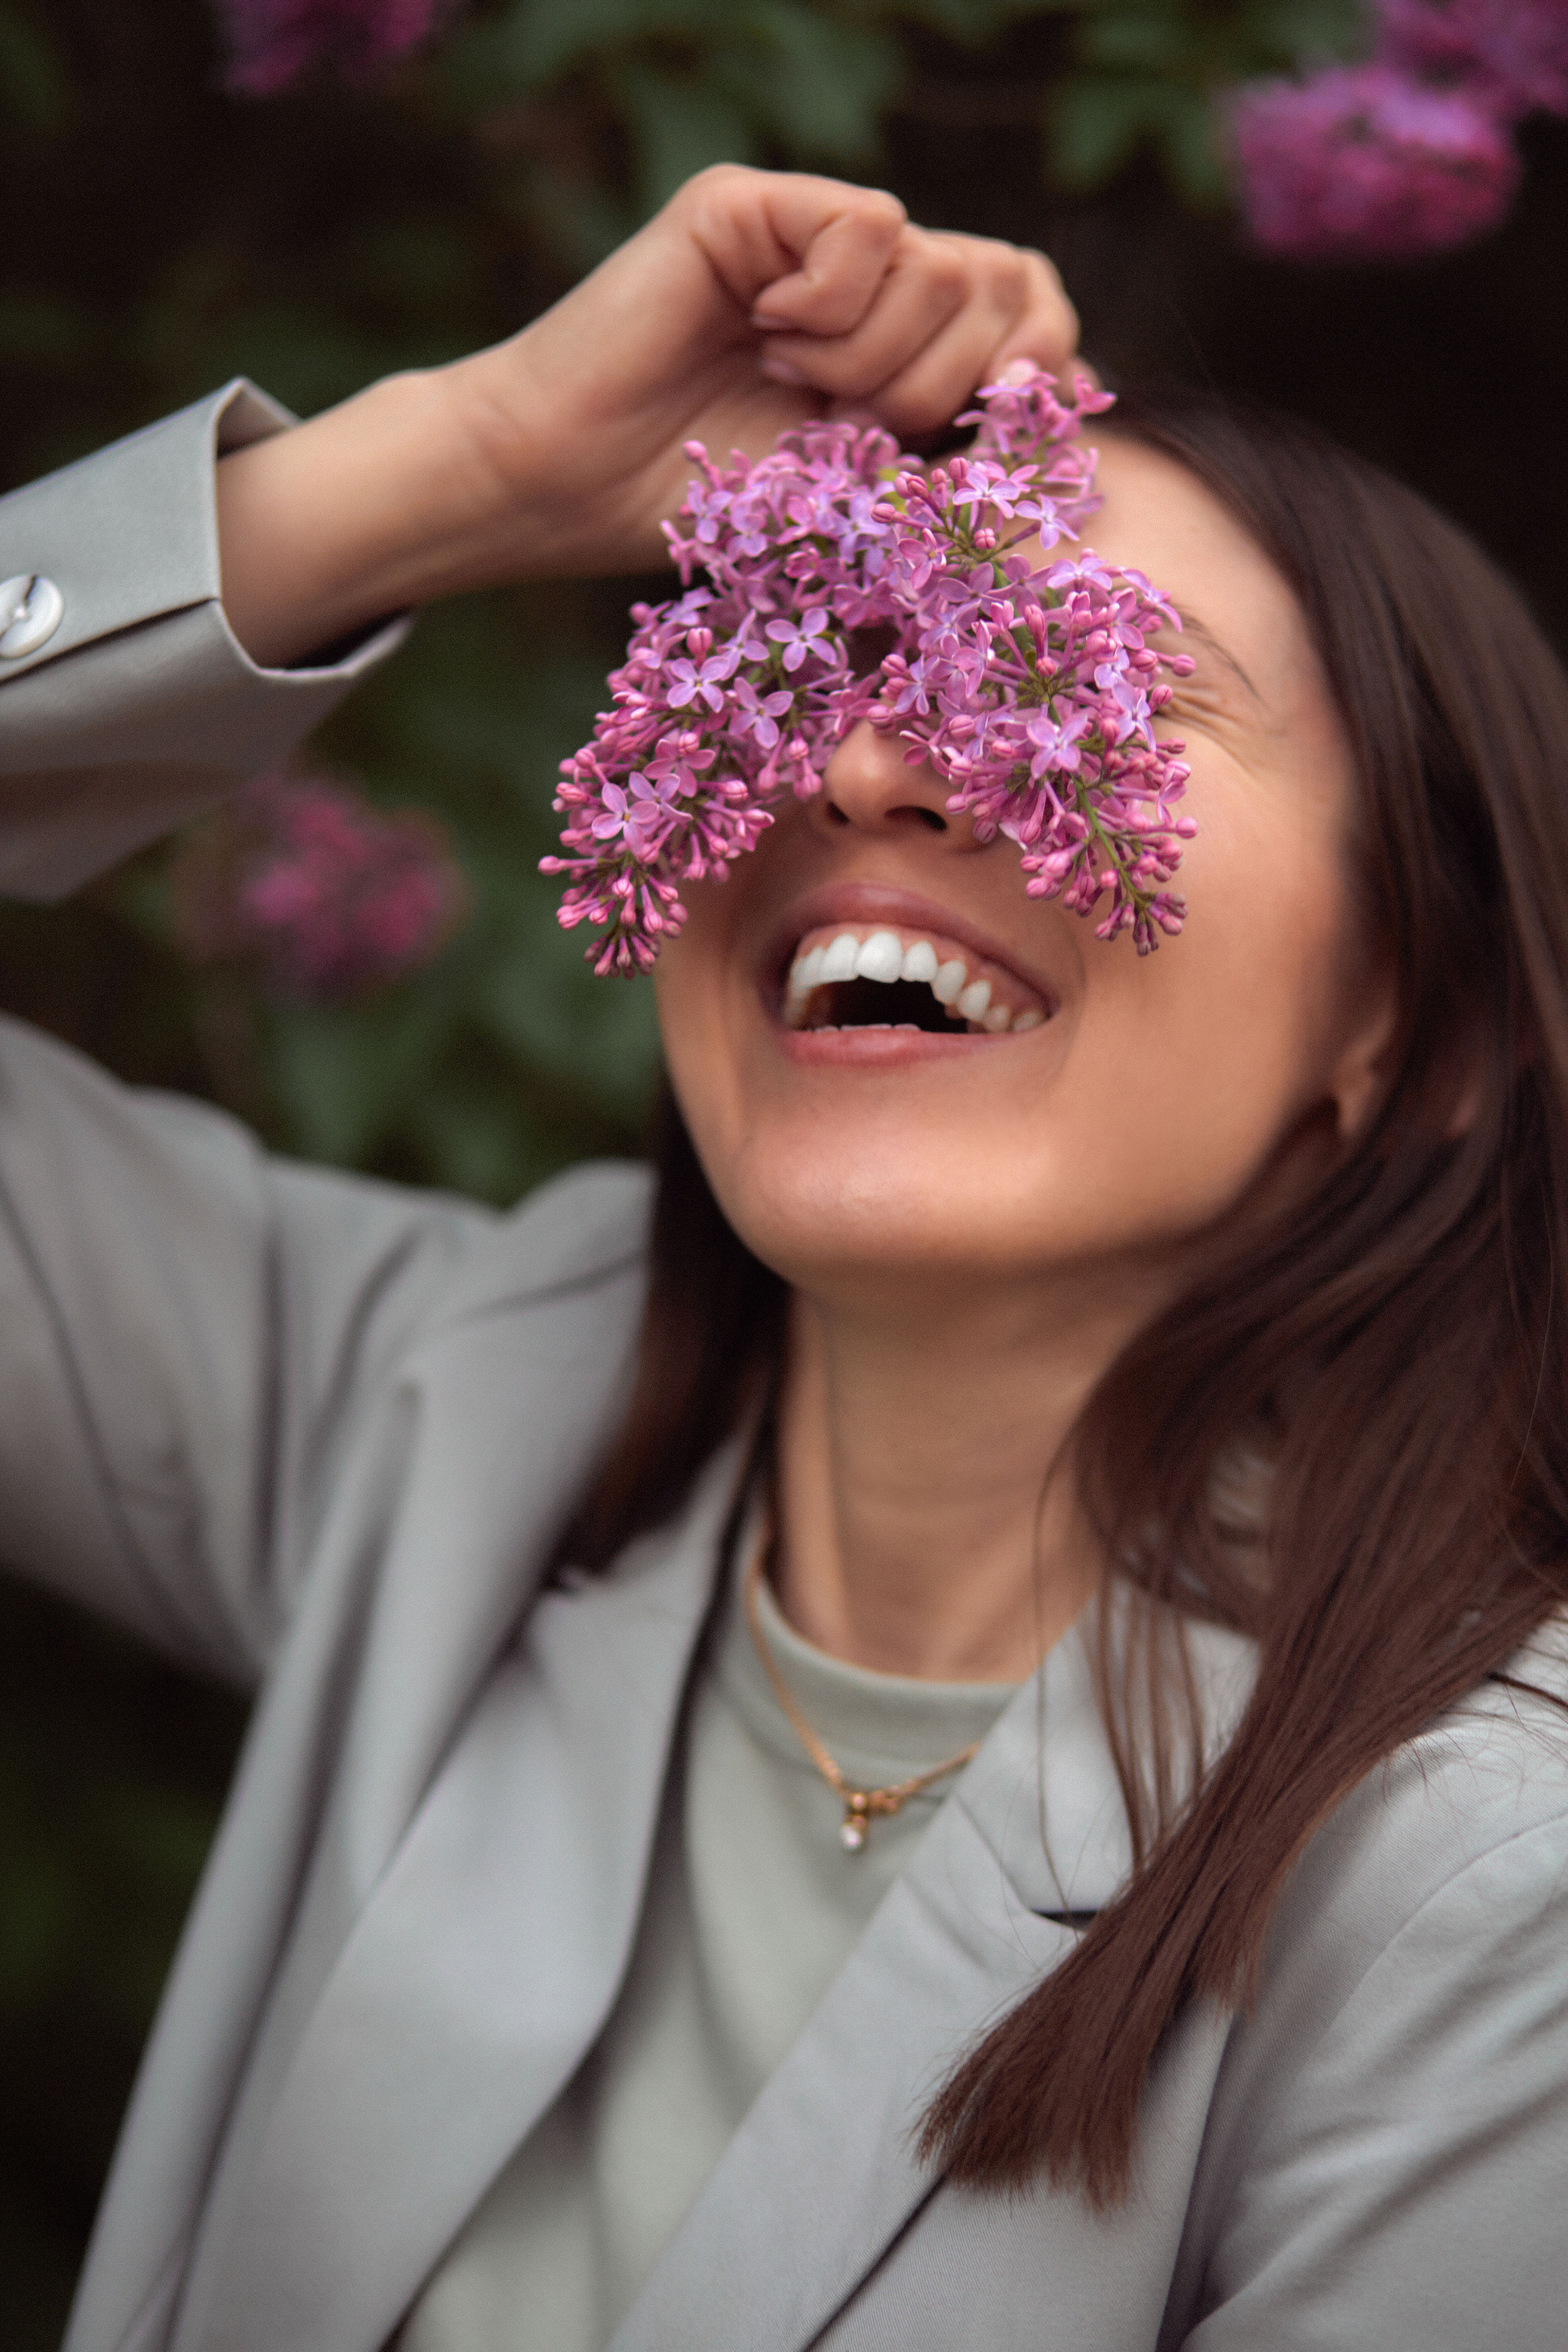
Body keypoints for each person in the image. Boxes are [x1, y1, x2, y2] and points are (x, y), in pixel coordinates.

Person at [1, 160, 1565, 2352]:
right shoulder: (442, 1424)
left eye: (1088, 678)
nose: (861, 761)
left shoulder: (1494, 1906)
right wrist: (436, 479)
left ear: (1431, 1024)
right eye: (809, 661)